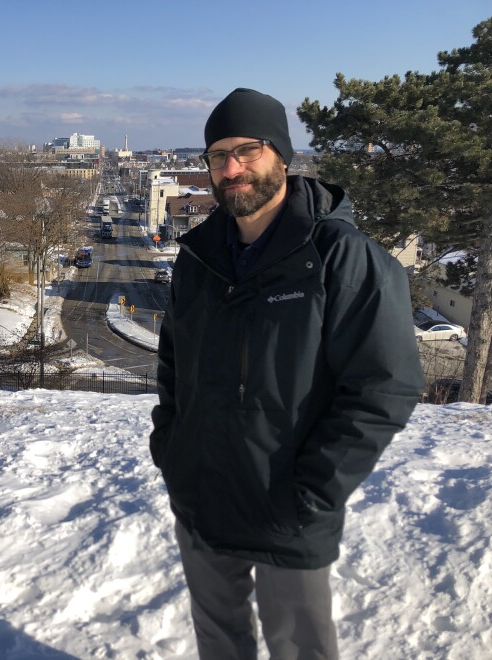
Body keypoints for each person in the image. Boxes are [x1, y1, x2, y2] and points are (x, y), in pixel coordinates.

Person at [150, 88, 424, 659]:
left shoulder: (340, 257)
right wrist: (171, 447)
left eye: (248, 150)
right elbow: (174, 362)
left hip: (289, 508)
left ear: (282, 155)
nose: (232, 168)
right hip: (202, 495)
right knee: (219, 642)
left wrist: (314, 492)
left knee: (299, 648)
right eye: (218, 155)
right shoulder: (199, 258)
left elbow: (383, 384)